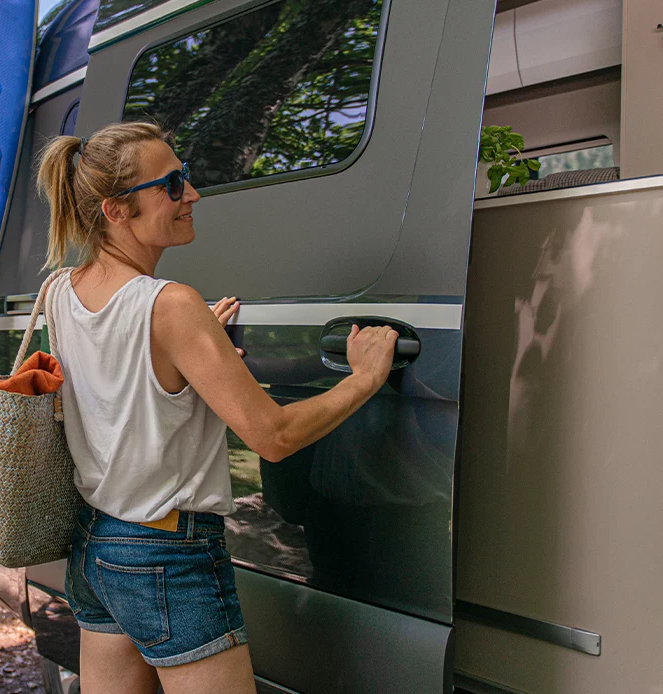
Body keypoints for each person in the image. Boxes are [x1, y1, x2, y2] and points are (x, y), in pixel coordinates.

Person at [34, 123, 399, 694]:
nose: (193, 194)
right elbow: (273, 437)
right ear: (115, 210)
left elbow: (121, 382)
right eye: (173, 184)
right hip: (165, 552)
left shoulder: (61, 290)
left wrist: (201, 344)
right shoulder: (172, 306)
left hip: (97, 544)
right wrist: (364, 379)